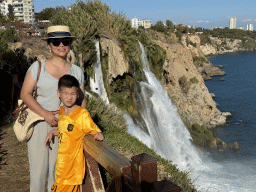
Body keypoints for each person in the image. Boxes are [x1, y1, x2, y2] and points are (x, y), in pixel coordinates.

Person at [20, 25, 86, 192]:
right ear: (49, 45)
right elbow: (25, 93)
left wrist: (80, 124)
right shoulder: (38, 67)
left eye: (66, 41)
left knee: (59, 172)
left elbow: (82, 100)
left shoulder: (77, 72)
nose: (61, 45)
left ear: (70, 44)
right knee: (38, 172)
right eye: (56, 42)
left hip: (65, 127)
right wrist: (45, 114)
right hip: (40, 124)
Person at [45, 74, 104, 191]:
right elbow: (66, 130)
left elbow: (94, 129)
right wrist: (53, 132)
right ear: (59, 94)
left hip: (72, 168)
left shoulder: (82, 114)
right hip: (61, 165)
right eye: (65, 93)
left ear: (77, 95)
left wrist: (97, 134)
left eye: (72, 93)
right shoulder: (62, 111)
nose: (69, 97)